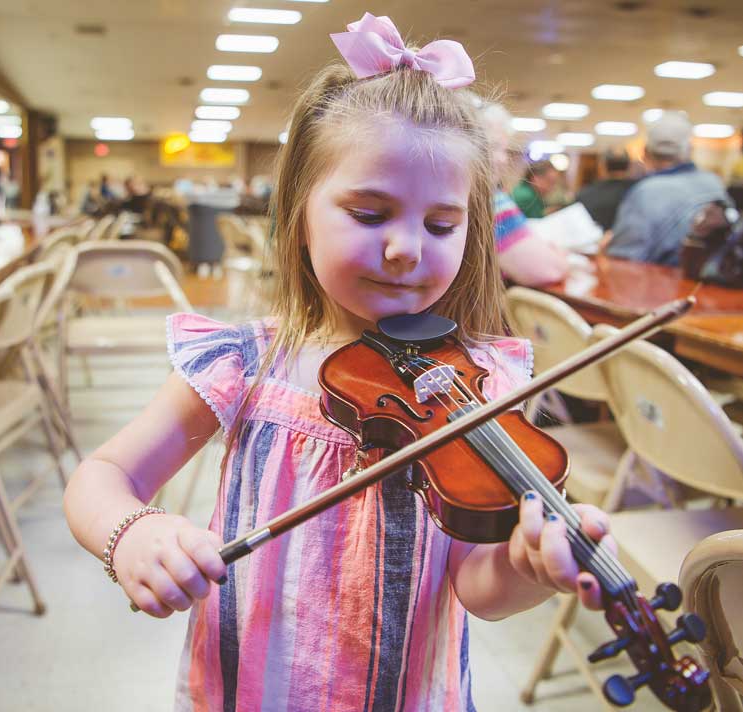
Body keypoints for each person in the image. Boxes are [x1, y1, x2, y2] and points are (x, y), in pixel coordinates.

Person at [63, 13, 613, 711]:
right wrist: (130, 531)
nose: (407, 248)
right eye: (370, 213)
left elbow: (477, 588)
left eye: (440, 225)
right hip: (250, 688)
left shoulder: (480, 386)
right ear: (299, 213)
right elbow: (103, 474)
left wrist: (525, 566)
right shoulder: (245, 363)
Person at [606, 111, 732, 266]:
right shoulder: (713, 182)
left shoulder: (645, 192)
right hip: (709, 284)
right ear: (689, 150)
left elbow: (624, 258)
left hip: (664, 287)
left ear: (645, 152)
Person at [481, 102, 569, 285]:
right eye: (497, 147)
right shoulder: (489, 201)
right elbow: (547, 270)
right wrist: (559, 256)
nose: (504, 159)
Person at [575, 149, 635, 230]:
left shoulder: (584, 194)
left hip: (596, 241)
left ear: (602, 166)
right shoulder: (639, 191)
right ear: (629, 166)